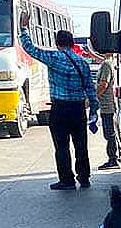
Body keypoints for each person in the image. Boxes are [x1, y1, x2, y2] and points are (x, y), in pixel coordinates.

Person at [18, 10, 99, 190]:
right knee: (81, 145)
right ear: (71, 43)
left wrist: (24, 28)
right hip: (78, 109)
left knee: (61, 146)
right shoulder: (83, 62)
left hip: (60, 109)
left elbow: (30, 48)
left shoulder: (54, 58)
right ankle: (84, 177)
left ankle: (67, 180)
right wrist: (93, 110)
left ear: (57, 43)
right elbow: (91, 90)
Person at [95, 52, 119, 170]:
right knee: (110, 132)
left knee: (109, 133)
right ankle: (114, 157)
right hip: (107, 105)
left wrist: (93, 98)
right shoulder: (109, 63)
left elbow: (104, 84)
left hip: (107, 105)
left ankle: (112, 159)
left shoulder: (106, 64)